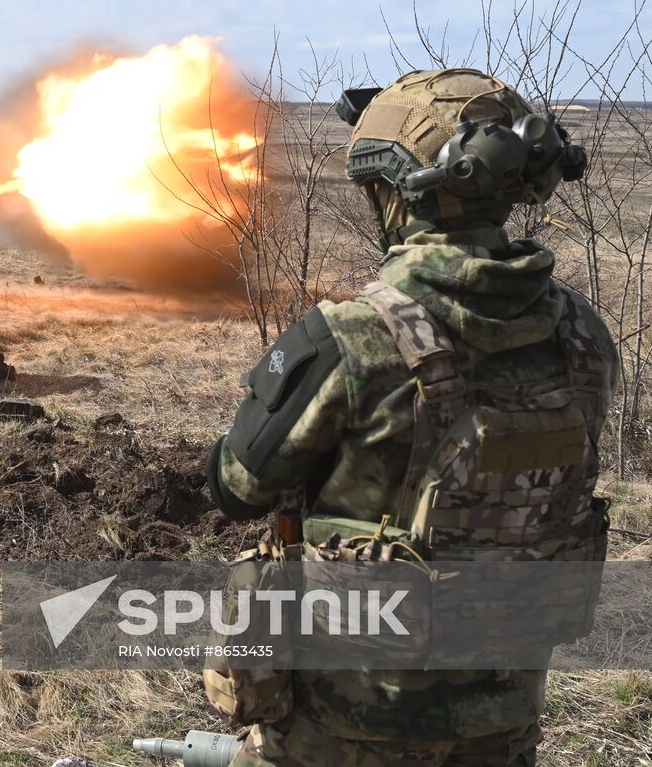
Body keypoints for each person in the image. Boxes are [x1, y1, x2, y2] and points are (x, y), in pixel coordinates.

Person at [205, 68, 617, 767]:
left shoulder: (351, 338)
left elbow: (235, 485)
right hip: (501, 726)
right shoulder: (582, 337)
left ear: (397, 195)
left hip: (342, 732)